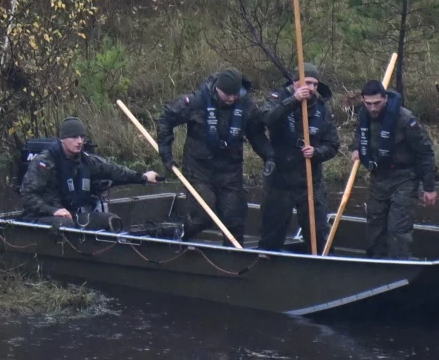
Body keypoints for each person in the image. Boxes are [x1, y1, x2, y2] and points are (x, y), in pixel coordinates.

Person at [157, 68, 274, 245]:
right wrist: (166, 154)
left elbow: (256, 135)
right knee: (203, 215)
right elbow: (166, 119)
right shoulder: (197, 101)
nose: (231, 98)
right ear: (218, 88)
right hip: (199, 169)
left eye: (235, 94)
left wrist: (269, 156)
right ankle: (177, 235)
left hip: (230, 171)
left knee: (235, 218)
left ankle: (233, 257)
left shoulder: (246, 106)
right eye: (227, 94)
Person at [349, 80, 437, 259]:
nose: (373, 108)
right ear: (363, 101)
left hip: (404, 178)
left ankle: (399, 264)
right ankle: (375, 264)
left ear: (385, 99)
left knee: (397, 229)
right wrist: (356, 148)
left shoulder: (405, 119)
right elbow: (360, 133)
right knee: (374, 224)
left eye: (377, 103)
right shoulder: (364, 114)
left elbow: (426, 152)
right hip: (379, 177)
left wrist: (429, 188)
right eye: (368, 104)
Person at [19, 117, 158, 229]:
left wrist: (143, 177)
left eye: (82, 137)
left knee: (111, 220)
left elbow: (113, 170)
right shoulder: (44, 162)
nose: (79, 141)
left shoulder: (85, 160)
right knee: (65, 225)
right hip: (43, 216)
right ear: (63, 139)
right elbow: (27, 195)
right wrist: (53, 211)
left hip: (72, 215)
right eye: (74, 137)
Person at [258, 64, 340, 251]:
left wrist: (317, 152)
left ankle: (320, 262)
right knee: (272, 232)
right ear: (295, 82)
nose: (311, 88)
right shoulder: (278, 98)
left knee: (318, 232)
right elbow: (268, 119)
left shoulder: (322, 109)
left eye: (315, 84)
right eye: (307, 83)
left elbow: (333, 145)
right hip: (281, 179)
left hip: (310, 180)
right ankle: (268, 260)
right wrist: (294, 100)